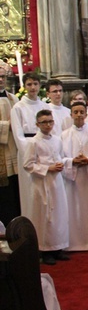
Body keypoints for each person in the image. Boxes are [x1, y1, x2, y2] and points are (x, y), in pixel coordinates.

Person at [23, 109, 69, 265]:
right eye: (44, 122)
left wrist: (60, 164)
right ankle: (45, 250)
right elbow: (28, 165)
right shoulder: (33, 142)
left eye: (50, 121)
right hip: (41, 184)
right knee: (44, 216)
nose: (48, 125)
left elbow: (61, 156)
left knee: (59, 215)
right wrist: (47, 168)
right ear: (37, 124)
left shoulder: (57, 140)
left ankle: (58, 247)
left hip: (57, 183)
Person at [62, 101, 88, 251]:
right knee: (72, 209)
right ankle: (73, 243)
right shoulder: (64, 135)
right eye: (75, 112)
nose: (79, 115)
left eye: (81, 112)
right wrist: (72, 161)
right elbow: (59, 158)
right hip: (72, 178)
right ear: (71, 114)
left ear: (86, 114)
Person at [11, 73, 48, 218]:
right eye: (29, 84)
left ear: (40, 86)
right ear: (24, 86)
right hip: (28, 151)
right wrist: (31, 150)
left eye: (35, 84)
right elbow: (18, 134)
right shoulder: (18, 107)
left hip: (44, 150)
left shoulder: (44, 105)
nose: (32, 87)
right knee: (29, 189)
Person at [0, 61, 20, 226]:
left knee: (15, 192)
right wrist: (7, 125)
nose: (0, 80)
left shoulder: (14, 98)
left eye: (3, 77)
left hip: (13, 149)